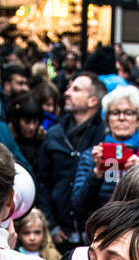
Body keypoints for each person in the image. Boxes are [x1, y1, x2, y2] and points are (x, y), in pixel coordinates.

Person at [70, 84, 139, 226]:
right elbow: (79, 206)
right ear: (107, 119)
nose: (122, 118)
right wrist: (96, 174)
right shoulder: (92, 156)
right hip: (103, 229)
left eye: (129, 112)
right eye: (115, 112)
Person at [37, 71, 106, 247]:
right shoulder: (54, 134)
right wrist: (51, 225)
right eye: (68, 88)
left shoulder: (106, 137)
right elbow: (43, 182)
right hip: (61, 234)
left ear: (92, 101)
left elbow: (111, 185)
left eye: (76, 89)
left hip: (96, 235)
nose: (67, 93)